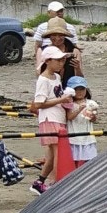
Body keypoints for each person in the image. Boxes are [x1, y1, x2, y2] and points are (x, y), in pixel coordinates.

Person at [29, 44, 73, 194]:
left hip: (58, 117)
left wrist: (65, 100)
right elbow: (39, 103)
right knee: (58, 152)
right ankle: (56, 183)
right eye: (58, 60)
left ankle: (39, 182)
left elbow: (56, 96)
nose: (61, 63)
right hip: (49, 119)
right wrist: (61, 100)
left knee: (52, 155)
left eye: (62, 60)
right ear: (48, 61)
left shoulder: (57, 77)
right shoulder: (43, 80)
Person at [65, 76, 99, 166]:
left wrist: (92, 116)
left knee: (90, 161)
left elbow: (94, 119)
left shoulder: (91, 103)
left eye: (82, 89)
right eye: (76, 89)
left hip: (88, 137)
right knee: (74, 161)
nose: (79, 92)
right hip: (73, 137)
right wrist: (79, 109)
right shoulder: (70, 103)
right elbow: (70, 117)